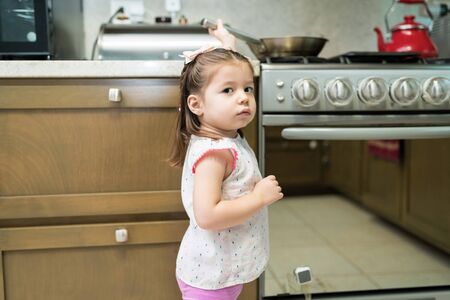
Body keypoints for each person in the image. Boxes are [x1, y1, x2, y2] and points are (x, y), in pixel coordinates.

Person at [169, 19, 283, 300]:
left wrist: (226, 42)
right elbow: (207, 216)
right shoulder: (215, 154)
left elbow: (225, 72)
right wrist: (259, 198)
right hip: (210, 279)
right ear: (197, 105)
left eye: (248, 89)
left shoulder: (221, 135)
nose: (243, 98)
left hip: (220, 269)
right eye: (228, 91)